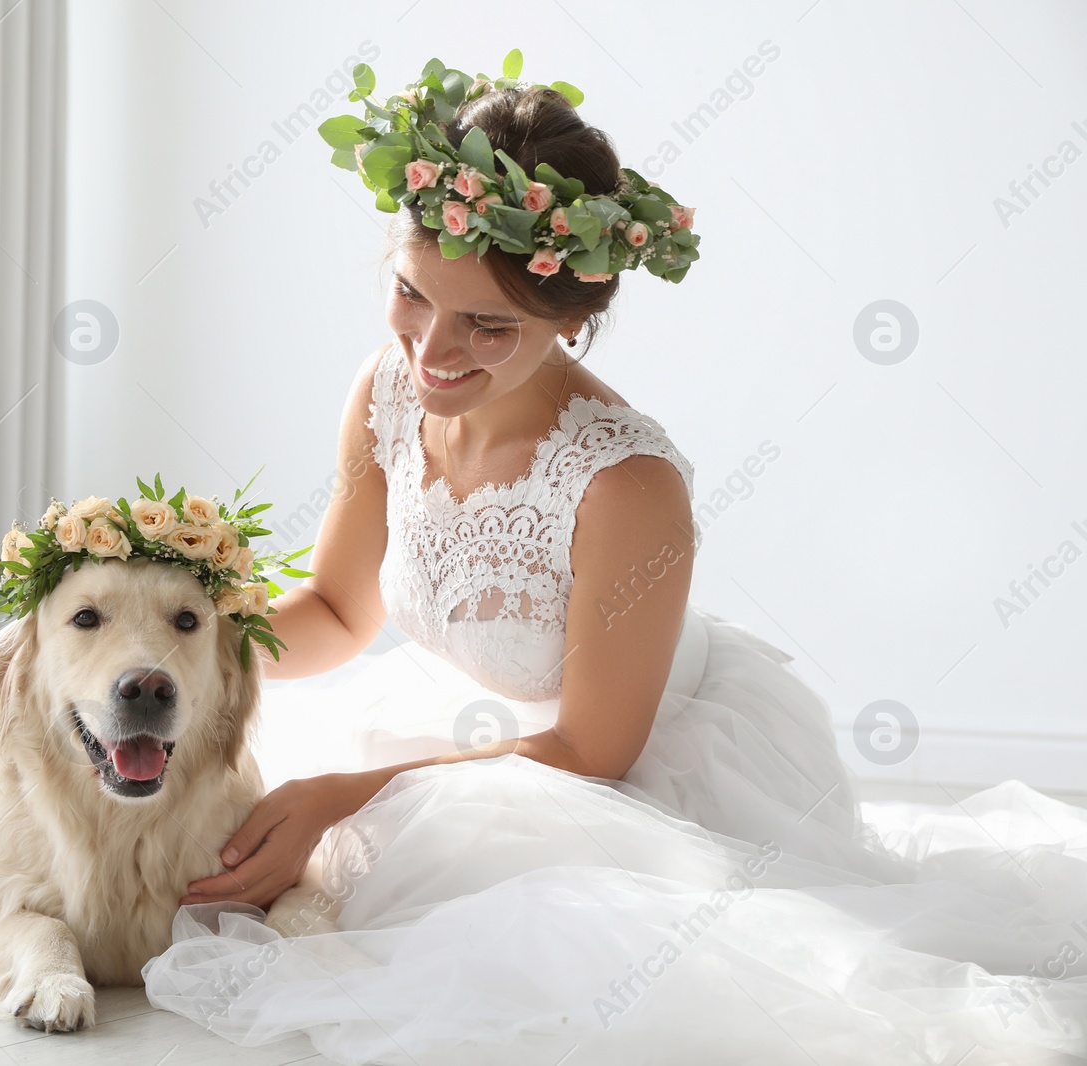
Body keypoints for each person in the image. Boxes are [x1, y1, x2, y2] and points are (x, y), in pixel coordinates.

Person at [141, 56, 1087, 1065]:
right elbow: (336, 610)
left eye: (488, 325)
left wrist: (349, 791)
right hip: (463, 717)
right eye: (413, 295)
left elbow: (591, 754)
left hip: (607, 761)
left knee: (474, 947)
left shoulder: (626, 485)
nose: (432, 352)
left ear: (572, 321)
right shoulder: (386, 389)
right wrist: (181, 632)